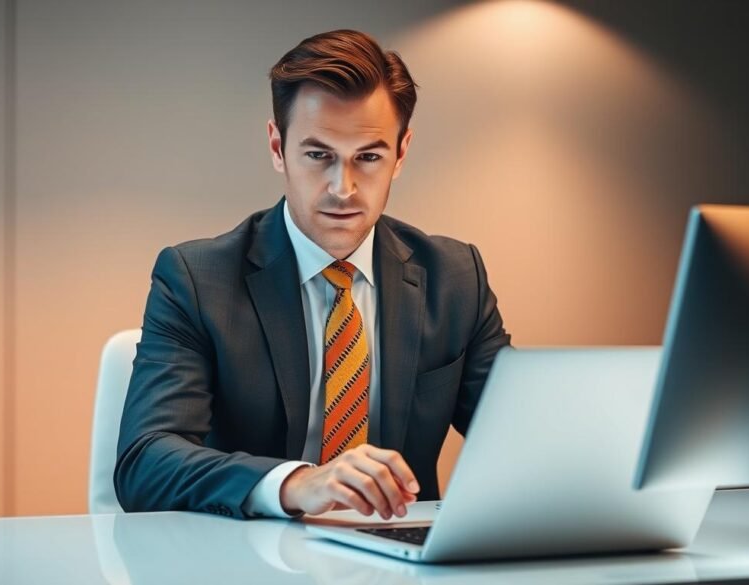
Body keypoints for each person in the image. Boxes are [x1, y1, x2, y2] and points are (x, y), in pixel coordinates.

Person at [115, 29, 511, 520]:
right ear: (278, 147)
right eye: (318, 155)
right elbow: (145, 462)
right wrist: (296, 484)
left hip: (402, 562)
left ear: (401, 154)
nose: (342, 188)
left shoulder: (456, 278)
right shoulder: (196, 280)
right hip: (243, 562)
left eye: (368, 157)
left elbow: (520, 440)